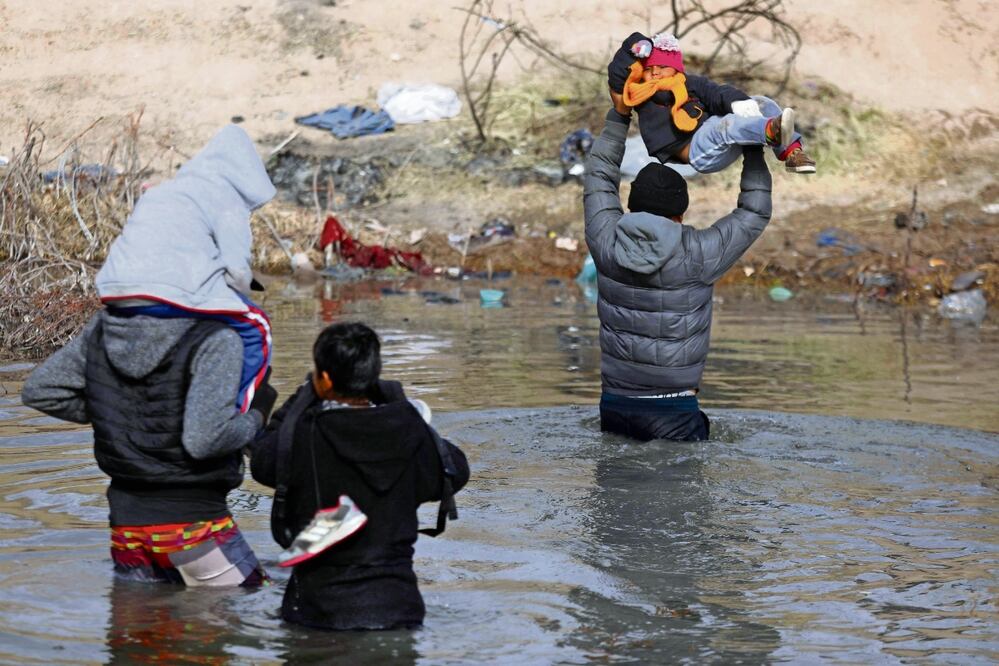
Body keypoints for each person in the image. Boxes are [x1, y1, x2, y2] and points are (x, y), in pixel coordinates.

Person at [583, 62, 773, 442]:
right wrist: (754, 148)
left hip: (614, 406)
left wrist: (620, 114)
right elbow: (754, 210)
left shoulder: (605, 239)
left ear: (631, 204)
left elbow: (598, 173)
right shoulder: (699, 255)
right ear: (680, 212)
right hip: (673, 410)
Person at [249, 322, 470, 631]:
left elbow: (262, 462)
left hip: (320, 617)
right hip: (398, 612)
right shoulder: (410, 435)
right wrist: (399, 407)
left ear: (324, 379)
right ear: (373, 375)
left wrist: (296, 404)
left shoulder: (304, 436)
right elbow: (456, 470)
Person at [95, 124, 276, 414]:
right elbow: (239, 273)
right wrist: (239, 299)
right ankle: (237, 415)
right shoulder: (227, 200)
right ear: (247, 175)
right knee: (258, 327)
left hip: (113, 289)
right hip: (164, 294)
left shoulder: (164, 192)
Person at [609, 32, 816, 175]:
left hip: (722, 139)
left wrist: (738, 102)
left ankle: (792, 154)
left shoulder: (689, 83)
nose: (655, 72)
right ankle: (770, 131)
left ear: (676, 69)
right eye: (649, 68)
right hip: (700, 153)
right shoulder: (639, 96)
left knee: (762, 102)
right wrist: (635, 45)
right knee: (723, 125)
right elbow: (618, 76)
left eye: (662, 66)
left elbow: (716, 92)